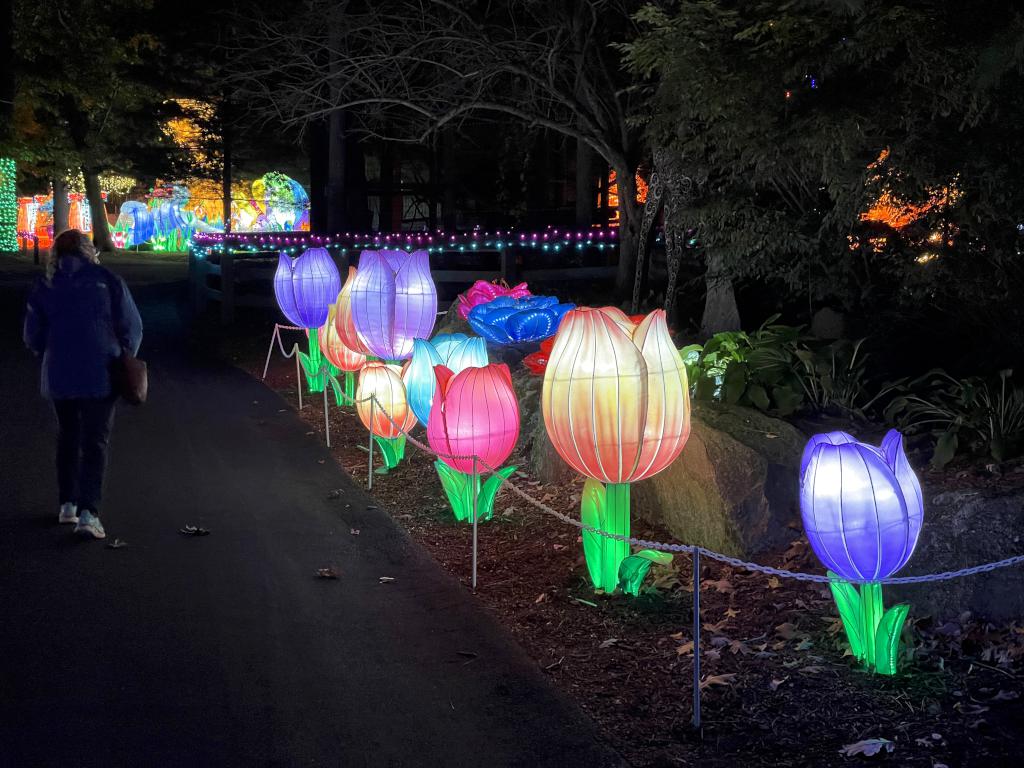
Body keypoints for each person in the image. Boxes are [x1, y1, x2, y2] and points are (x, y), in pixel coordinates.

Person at [23, 229, 143, 539]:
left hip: (59, 373)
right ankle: (89, 513)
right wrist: (124, 354)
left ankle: (67, 503)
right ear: (89, 251)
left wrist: (46, 352)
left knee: (67, 436)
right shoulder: (109, 281)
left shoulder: (45, 284)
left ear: (56, 255)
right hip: (100, 371)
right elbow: (131, 326)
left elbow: (32, 334)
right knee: (95, 441)